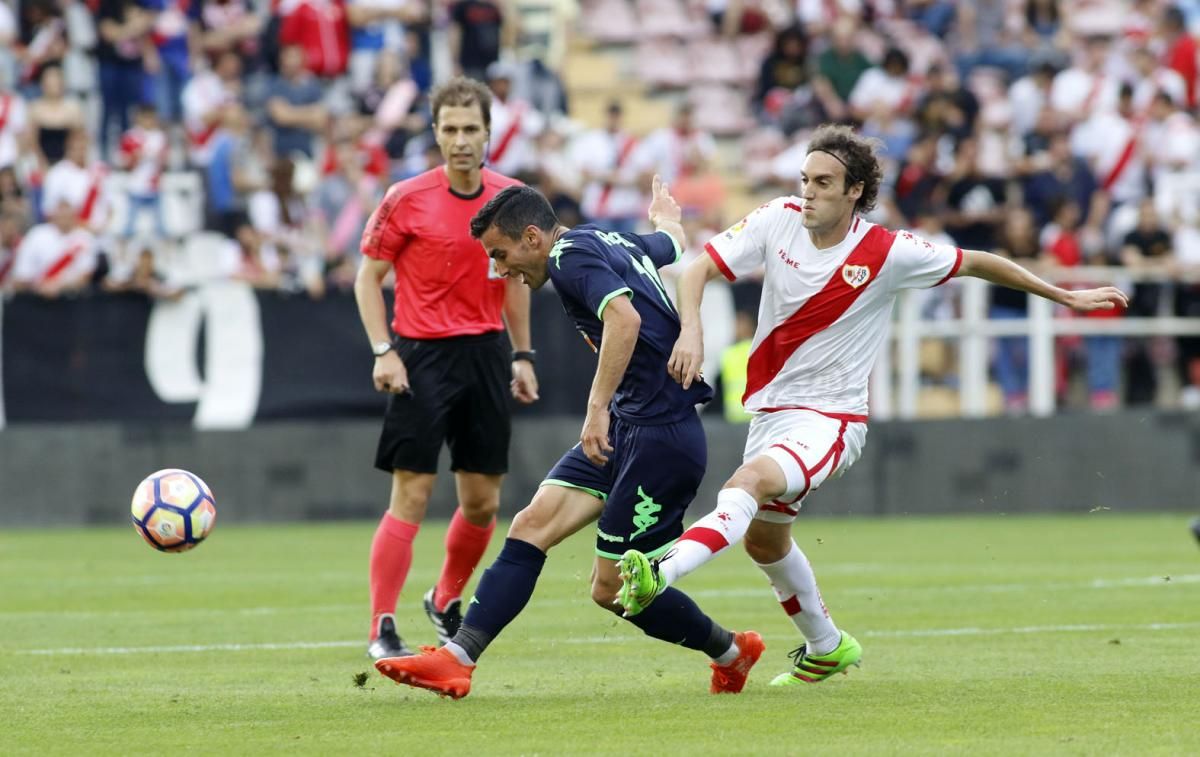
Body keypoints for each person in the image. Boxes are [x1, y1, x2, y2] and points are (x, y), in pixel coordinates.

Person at [616, 124, 1128, 687]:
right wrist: (692, 330)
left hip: (831, 420)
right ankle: (828, 646)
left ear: (855, 190)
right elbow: (698, 269)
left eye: (823, 182)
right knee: (765, 540)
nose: (808, 192)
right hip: (772, 413)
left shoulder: (888, 251)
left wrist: (1065, 295)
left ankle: (660, 570)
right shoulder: (777, 217)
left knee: (746, 483)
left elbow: (978, 261)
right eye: (805, 179)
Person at [373, 178, 765, 699]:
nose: (498, 269)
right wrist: (666, 217)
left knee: (613, 590)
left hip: (660, 440)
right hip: (630, 425)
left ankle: (734, 653)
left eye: (500, 253)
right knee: (531, 523)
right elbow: (669, 243)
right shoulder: (605, 239)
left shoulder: (567, 258)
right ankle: (456, 659)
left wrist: (595, 408)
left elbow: (622, 319)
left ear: (533, 237)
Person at [354, 75, 539, 661]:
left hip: (486, 354)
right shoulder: (405, 198)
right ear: (435, 133)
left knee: (483, 500)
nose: (461, 140)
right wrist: (384, 351)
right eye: (450, 129)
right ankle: (382, 625)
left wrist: (523, 354)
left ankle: (444, 597)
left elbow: (515, 282)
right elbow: (368, 278)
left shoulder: (511, 200)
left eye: (471, 129)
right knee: (411, 491)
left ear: (489, 135)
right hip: (421, 355)